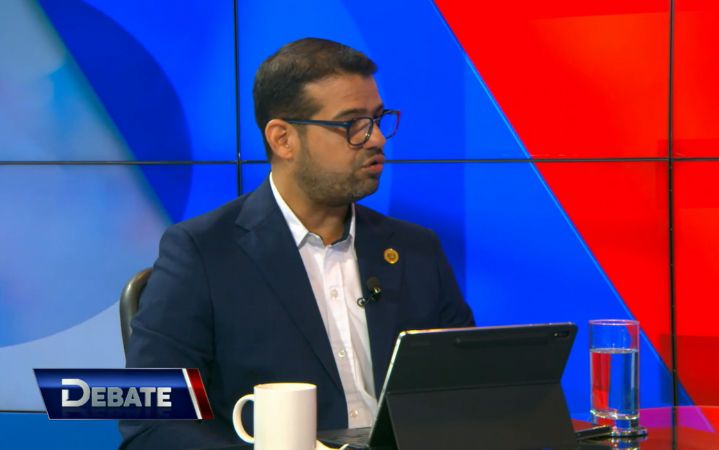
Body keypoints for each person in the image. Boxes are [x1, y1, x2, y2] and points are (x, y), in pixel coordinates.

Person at [120, 37, 474, 449]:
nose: (376, 138)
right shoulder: (202, 253)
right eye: (352, 124)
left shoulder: (416, 250)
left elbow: (469, 391)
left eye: (378, 119)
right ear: (283, 139)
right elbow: (150, 423)